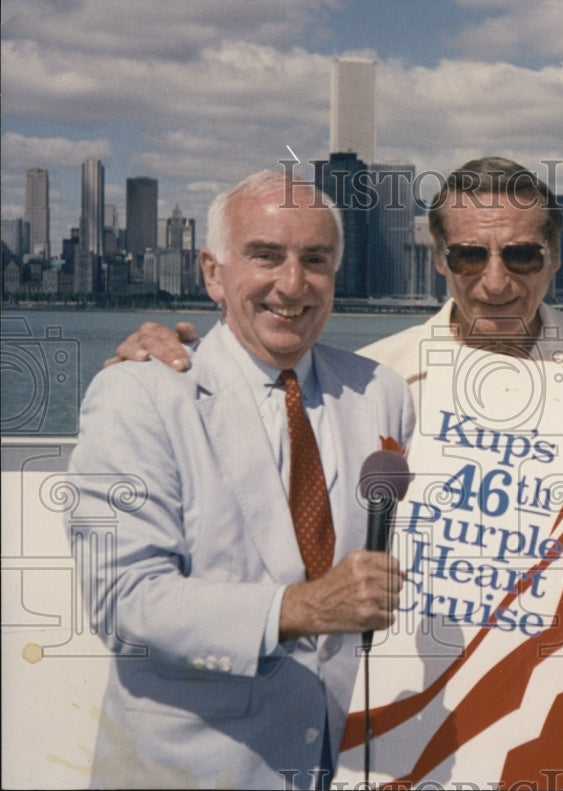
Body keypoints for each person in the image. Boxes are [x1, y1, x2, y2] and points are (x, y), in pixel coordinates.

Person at [107, 157, 563, 787]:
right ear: (441, 259)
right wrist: (159, 358)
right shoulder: (376, 383)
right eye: (470, 256)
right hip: (417, 720)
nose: (496, 282)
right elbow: (257, 402)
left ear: (555, 257)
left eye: (523, 256)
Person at [68, 170, 414, 789]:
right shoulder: (139, 394)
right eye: (265, 256)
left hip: (327, 766)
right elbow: (122, 602)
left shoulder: (379, 394)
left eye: (315, 260)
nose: (292, 283)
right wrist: (301, 607)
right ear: (212, 273)